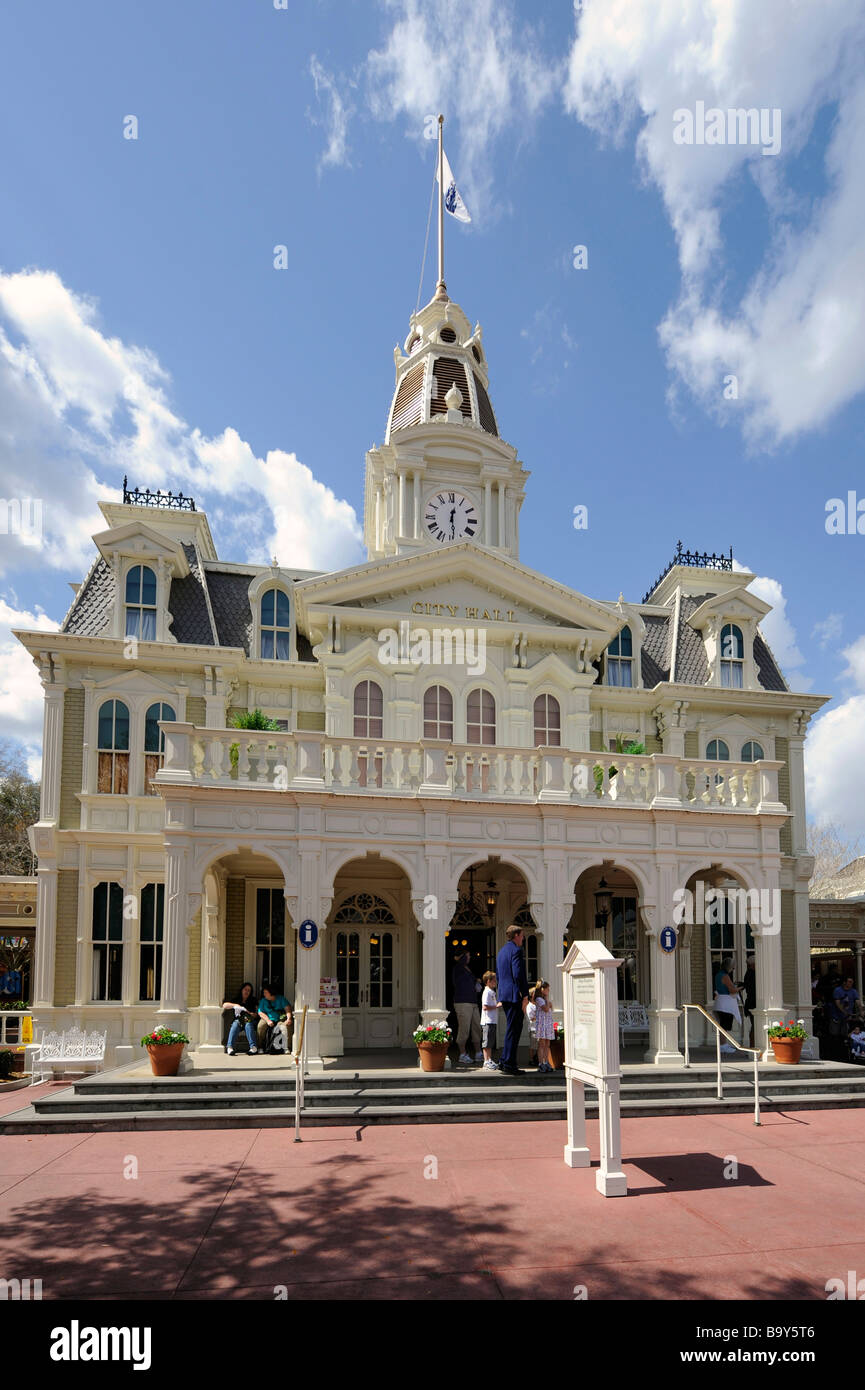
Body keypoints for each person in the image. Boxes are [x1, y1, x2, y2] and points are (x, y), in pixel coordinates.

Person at [496, 924, 529, 1075]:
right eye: (522, 935)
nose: (523, 938)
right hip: (515, 995)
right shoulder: (516, 950)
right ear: (516, 935)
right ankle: (509, 1063)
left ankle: (504, 1061)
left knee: (511, 1028)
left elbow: (499, 976)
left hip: (505, 994)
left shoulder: (502, 951)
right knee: (514, 1030)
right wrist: (525, 995)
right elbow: (518, 974)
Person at [452, 951, 483, 1065]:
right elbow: (459, 983)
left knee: (477, 1027)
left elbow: (470, 981)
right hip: (462, 1002)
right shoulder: (458, 968)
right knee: (464, 1029)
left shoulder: (467, 968)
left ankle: (478, 1053)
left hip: (473, 1001)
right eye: (468, 955)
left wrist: (476, 981)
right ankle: (462, 1054)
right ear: (463, 957)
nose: (470, 957)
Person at [712, 956, 741, 1055]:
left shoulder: (718, 975)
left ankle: (723, 1044)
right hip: (726, 1004)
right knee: (725, 1026)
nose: (733, 969)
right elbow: (731, 990)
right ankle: (723, 1045)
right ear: (728, 967)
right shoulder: (725, 976)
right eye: (732, 967)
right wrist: (740, 988)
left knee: (722, 1025)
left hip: (719, 1002)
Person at [222, 982, 259, 1056]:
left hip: (250, 1021)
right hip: (239, 1021)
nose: (247, 992)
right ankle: (230, 1047)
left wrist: (252, 1014)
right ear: (242, 990)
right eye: (245, 989)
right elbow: (224, 1005)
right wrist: (235, 1005)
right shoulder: (236, 999)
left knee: (248, 1024)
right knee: (235, 1024)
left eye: (249, 990)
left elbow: (257, 1013)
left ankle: (253, 1047)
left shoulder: (253, 1000)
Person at [258, 983, 293, 1054]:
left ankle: (286, 1047)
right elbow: (260, 1012)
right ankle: (260, 1046)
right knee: (260, 1026)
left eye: (266, 993)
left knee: (285, 1027)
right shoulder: (263, 1001)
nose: (264, 994)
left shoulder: (281, 998)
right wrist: (268, 1021)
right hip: (267, 1018)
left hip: (280, 1019)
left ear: (271, 992)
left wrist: (289, 1019)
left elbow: (287, 1009)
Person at [480, 970, 502, 1071]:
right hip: (487, 1020)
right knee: (487, 1042)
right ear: (488, 981)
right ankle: (486, 1061)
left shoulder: (491, 992)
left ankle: (489, 1059)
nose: (495, 982)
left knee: (490, 1042)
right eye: (494, 980)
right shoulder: (487, 992)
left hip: (492, 1020)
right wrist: (496, 1006)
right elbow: (485, 1007)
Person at [534, 979, 554, 1072]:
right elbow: (546, 1008)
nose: (548, 991)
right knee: (542, 1044)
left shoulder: (544, 999)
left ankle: (546, 1062)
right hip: (542, 1024)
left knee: (547, 1044)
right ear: (542, 989)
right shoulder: (539, 999)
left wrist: (549, 1004)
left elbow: (551, 1007)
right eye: (547, 989)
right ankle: (541, 1063)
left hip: (547, 1023)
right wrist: (547, 1001)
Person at [742, 955, 756, 1047]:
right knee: (755, 1026)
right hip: (753, 1002)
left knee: (754, 1025)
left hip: (750, 1002)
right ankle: (752, 1046)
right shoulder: (752, 974)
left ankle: (753, 1046)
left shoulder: (749, 973)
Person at [526, 988, 538, 1067]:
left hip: (538, 1028)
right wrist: (539, 1016)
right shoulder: (529, 1006)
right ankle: (531, 1059)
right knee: (533, 1046)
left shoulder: (536, 1005)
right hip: (533, 1028)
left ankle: (536, 1058)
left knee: (538, 1045)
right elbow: (531, 1018)